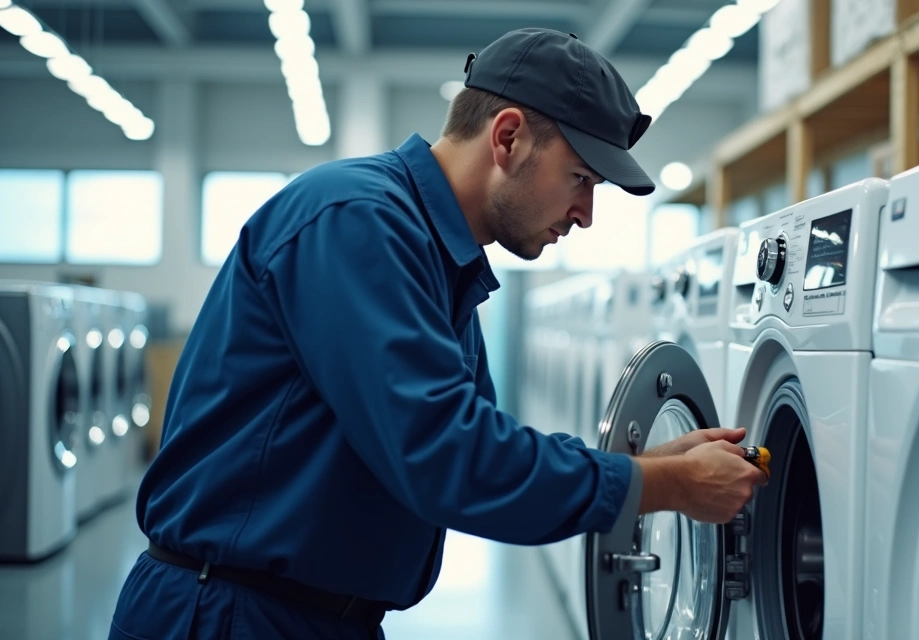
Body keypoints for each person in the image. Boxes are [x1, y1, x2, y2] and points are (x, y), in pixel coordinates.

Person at [109, 27, 768, 640]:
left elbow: (486, 452)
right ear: (507, 138)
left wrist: (653, 466)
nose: (586, 215)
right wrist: (667, 486)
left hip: (307, 614)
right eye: (580, 179)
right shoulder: (358, 221)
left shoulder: (441, 263)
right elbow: (450, 459)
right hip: (228, 614)